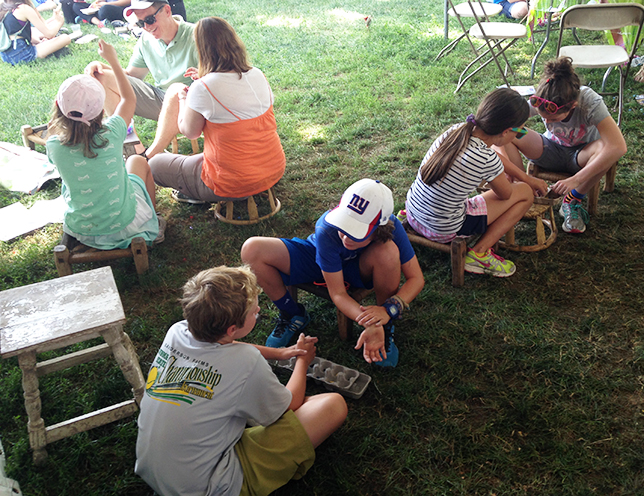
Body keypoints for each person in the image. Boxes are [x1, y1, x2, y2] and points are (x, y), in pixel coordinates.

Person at [135, 265, 348, 496]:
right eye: (254, 311)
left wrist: (280, 353)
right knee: (332, 405)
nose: (258, 309)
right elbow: (290, 404)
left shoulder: (178, 331)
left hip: (156, 470)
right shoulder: (246, 361)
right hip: (209, 487)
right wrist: (302, 361)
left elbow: (226, 343)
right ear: (233, 327)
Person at [241, 179, 425, 368]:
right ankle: (292, 314)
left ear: (380, 228)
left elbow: (416, 279)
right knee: (252, 249)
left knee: (388, 252)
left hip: (361, 268)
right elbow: (337, 293)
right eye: (343, 226)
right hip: (318, 258)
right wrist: (369, 323)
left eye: (356, 232)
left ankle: (384, 326)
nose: (345, 237)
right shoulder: (327, 230)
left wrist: (388, 310)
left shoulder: (392, 226)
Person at [404, 88, 544, 279]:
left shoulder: (458, 130)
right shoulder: (485, 158)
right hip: (443, 229)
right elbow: (506, 195)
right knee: (524, 193)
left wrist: (525, 176)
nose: (519, 135)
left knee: (521, 185)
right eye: (520, 131)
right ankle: (479, 253)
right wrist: (523, 182)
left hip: (414, 213)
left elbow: (492, 157)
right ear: (505, 132)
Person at [148, 16, 285, 203]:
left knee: (155, 164)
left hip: (231, 183)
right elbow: (233, 92)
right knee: (204, 158)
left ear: (201, 49)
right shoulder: (257, 74)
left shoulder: (203, 87)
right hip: (273, 170)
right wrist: (206, 79)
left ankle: (197, 193)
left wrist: (183, 97)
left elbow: (190, 132)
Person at [46, 40, 164, 250]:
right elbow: (128, 98)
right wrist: (113, 61)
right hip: (126, 223)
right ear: (101, 109)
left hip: (83, 229)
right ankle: (152, 220)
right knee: (137, 161)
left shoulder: (54, 145)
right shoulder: (113, 131)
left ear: (58, 106)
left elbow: (56, 132)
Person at [499, 57, 627, 234]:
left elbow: (619, 146)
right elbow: (501, 126)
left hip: (582, 157)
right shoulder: (545, 97)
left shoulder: (589, 101)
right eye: (543, 117)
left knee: (604, 147)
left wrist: (576, 180)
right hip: (550, 148)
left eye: (553, 119)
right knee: (510, 133)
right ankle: (522, 191)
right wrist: (518, 175)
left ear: (573, 106)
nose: (547, 121)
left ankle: (572, 200)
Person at [83, 0, 197, 154]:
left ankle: (151, 155)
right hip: (161, 99)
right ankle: (136, 152)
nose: (146, 27)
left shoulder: (196, 35)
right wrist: (104, 64)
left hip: (190, 103)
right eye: (141, 23)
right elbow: (131, 76)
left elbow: (217, 78)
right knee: (101, 77)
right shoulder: (146, 40)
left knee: (176, 90)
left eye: (150, 20)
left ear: (167, 11)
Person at [1, 0, 70, 66]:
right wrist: (59, 22)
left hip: (6, 57)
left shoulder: (3, 6)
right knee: (65, 38)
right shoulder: (24, 8)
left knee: (35, 32)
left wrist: (39, 42)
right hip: (23, 55)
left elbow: (20, 33)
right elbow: (50, 34)